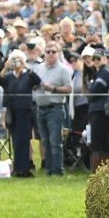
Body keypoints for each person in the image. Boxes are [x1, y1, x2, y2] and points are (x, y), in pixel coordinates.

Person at [32, 44, 72, 175]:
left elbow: (69, 89)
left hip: (55, 108)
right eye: (47, 51)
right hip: (40, 108)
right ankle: (48, 169)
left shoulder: (63, 69)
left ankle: (57, 170)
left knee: (55, 141)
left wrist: (53, 89)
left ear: (58, 53)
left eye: (53, 51)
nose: (50, 54)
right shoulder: (38, 68)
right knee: (44, 141)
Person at [1, 50, 37, 177]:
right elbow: (0, 80)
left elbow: (37, 80)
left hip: (25, 112)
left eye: (18, 59)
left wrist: (25, 66)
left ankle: (24, 168)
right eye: (14, 59)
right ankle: (17, 168)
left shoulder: (27, 75)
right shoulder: (9, 77)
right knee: (15, 140)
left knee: (24, 140)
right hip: (12, 111)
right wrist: (5, 67)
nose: (16, 62)